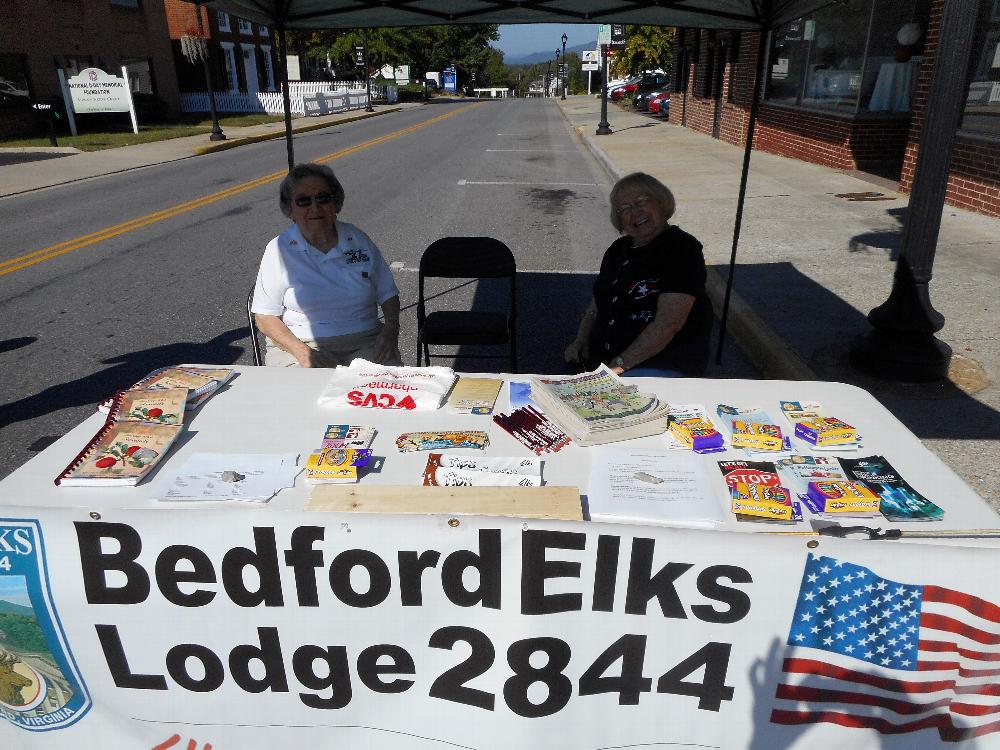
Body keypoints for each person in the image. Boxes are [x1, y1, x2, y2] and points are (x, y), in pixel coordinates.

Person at [251, 163, 402, 368]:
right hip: (297, 343)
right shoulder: (279, 249)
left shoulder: (357, 239)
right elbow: (265, 316)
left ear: (335, 203)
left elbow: (388, 293)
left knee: (381, 392)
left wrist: (391, 330)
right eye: (303, 201)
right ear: (290, 210)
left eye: (323, 198)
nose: (315, 207)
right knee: (299, 397)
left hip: (365, 339)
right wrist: (304, 353)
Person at [564, 172, 712, 377]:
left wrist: (620, 365)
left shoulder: (682, 249)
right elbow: (598, 302)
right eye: (625, 209)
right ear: (619, 218)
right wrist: (581, 340)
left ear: (661, 203)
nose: (636, 212)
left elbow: (669, 323)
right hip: (606, 361)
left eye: (642, 202)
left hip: (660, 361)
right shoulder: (617, 250)